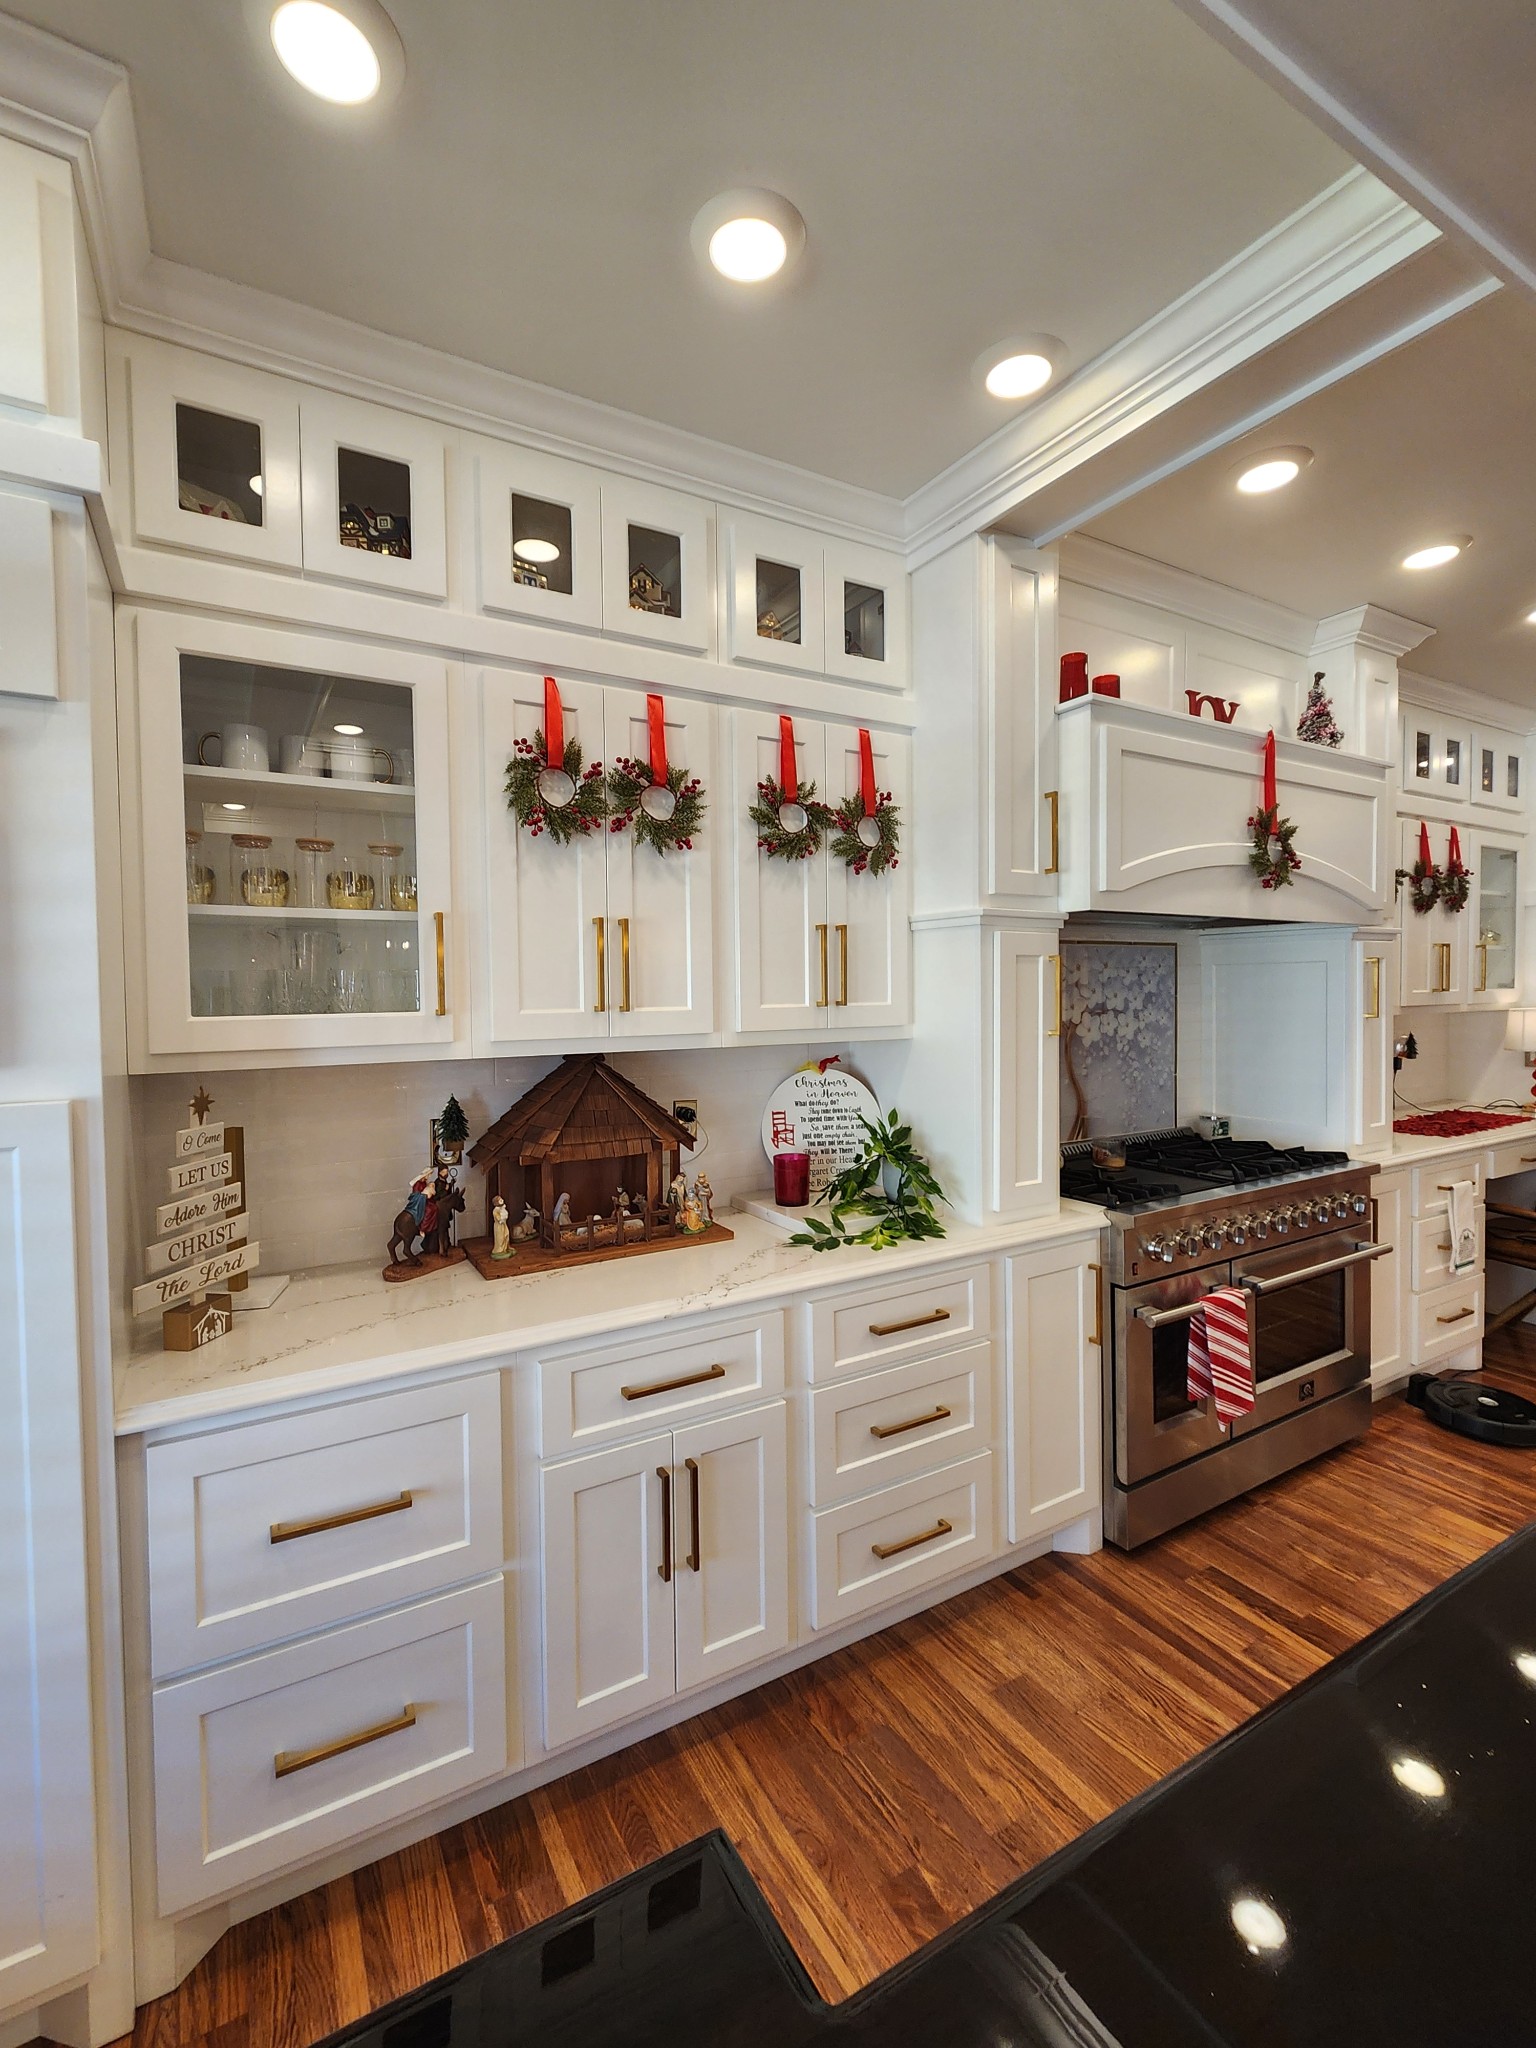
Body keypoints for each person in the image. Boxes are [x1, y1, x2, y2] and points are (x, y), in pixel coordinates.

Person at [490, 1194, 513, 1259]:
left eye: (501, 1199)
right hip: (499, 1226)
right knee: (500, 1238)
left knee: (506, 1234)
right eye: (500, 1200)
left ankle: (506, 1247)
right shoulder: (496, 1210)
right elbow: (498, 1218)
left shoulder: (502, 1208)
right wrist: (502, 1217)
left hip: (504, 1224)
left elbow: (506, 1215)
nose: (502, 1200)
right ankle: (499, 1250)